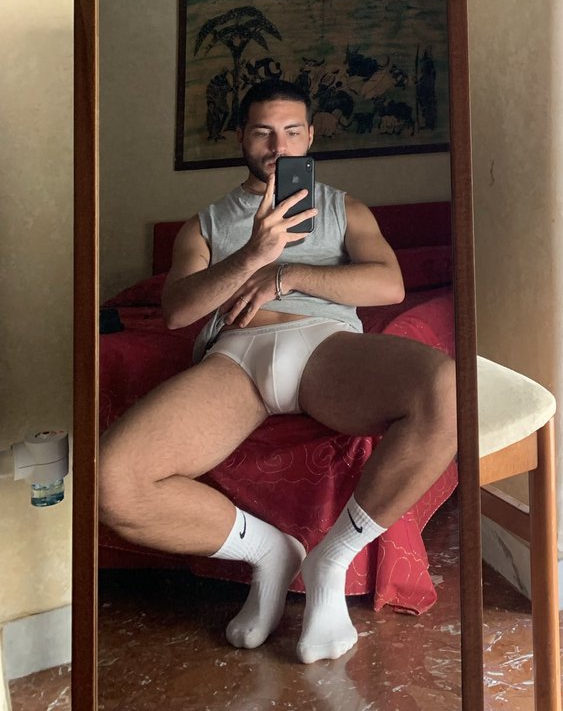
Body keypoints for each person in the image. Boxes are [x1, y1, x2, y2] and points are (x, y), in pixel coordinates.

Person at [99, 78, 457, 664]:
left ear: (310, 136)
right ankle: (270, 552)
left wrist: (285, 276)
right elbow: (176, 311)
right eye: (264, 133)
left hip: (324, 347)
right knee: (112, 483)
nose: (278, 146)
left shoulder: (343, 209)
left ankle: (330, 560)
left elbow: (389, 284)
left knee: (444, 388)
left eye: (292, 132)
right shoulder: (206, 224)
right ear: (241, 138)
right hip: (236, 358)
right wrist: (253, 255)